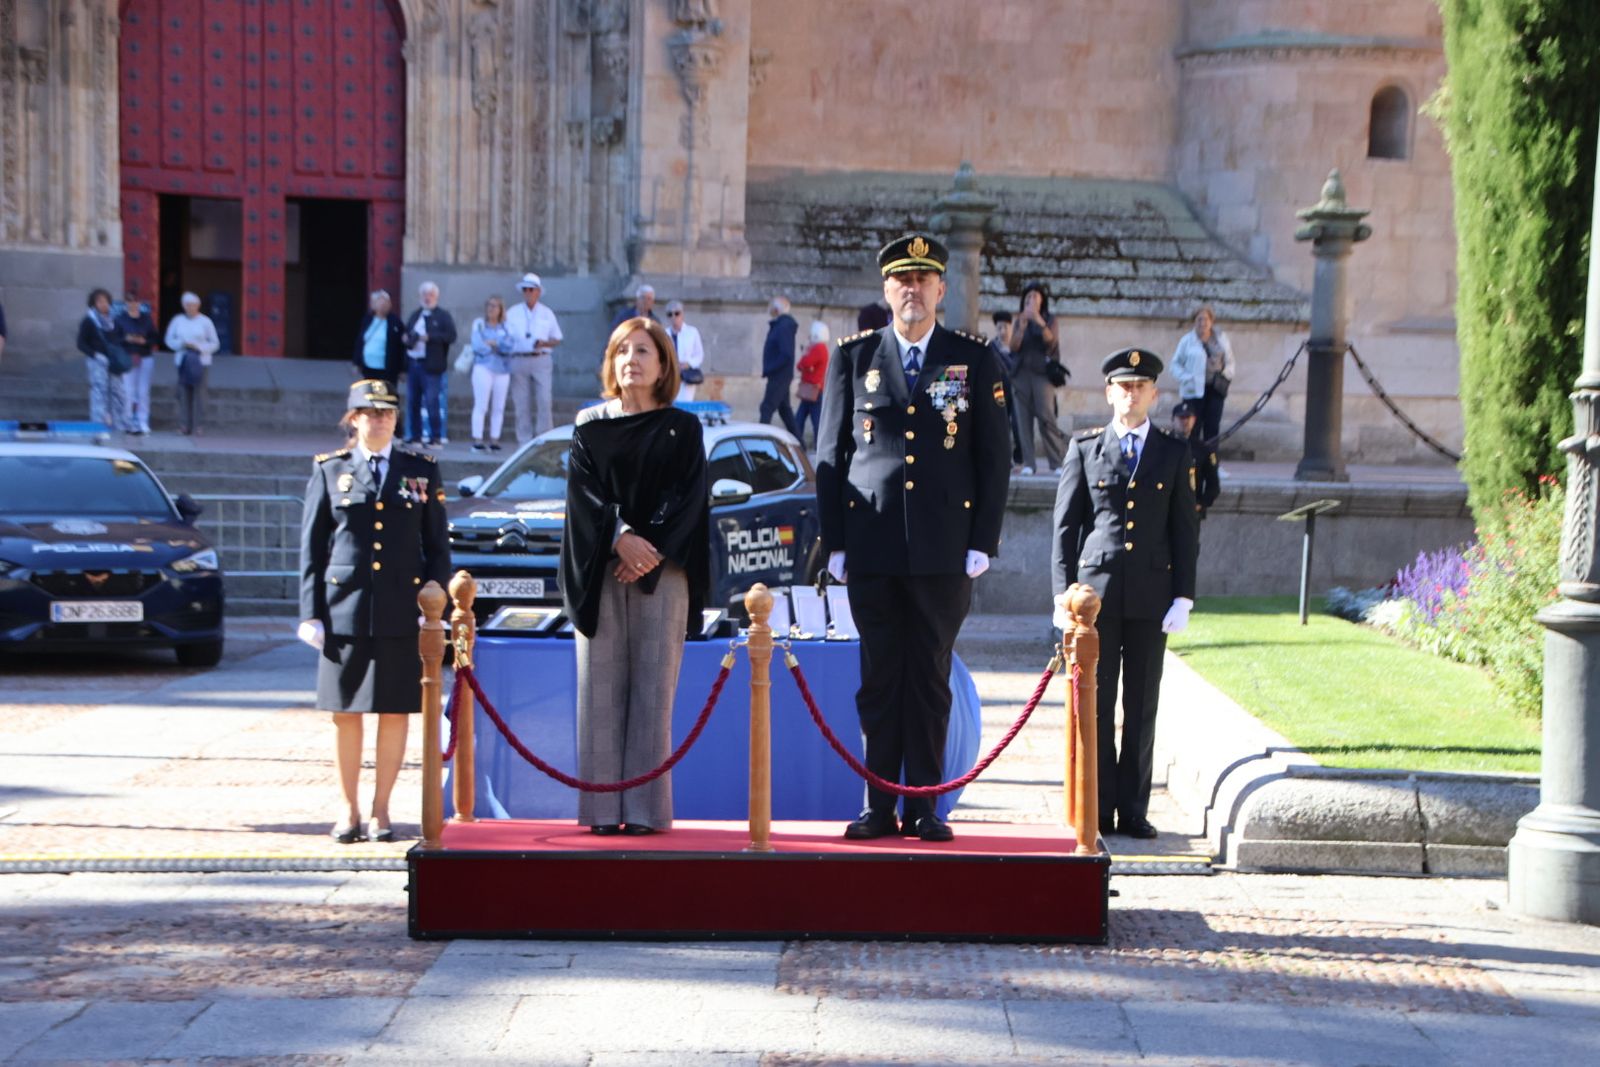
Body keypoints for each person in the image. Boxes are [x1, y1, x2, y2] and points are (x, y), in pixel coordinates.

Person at [815, 233, 1011, 842]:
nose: (913, 291)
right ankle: (878, 804)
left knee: (928, 675)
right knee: (878, 678)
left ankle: (924, 804)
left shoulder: (972, 358)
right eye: (902, 281)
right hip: (872, 544)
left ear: (941, 290)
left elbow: (993, 456)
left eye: (924, 281)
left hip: (943, 548)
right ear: (886, 290)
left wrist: (984, 539)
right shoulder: (853, 358)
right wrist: (837, 543)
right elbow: (831, 452)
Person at [560, 317, 709, 836]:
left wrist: (649, 549)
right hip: (601, 571)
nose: (632, 360)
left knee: (652, 694)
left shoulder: (684, 429)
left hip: (662, 574)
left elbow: (689, 500)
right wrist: (619, 535)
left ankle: (646, 813)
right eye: (622, 350)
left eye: (643, 350)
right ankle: (601, 811)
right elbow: (583, 496)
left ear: (664, 363)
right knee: (599, 692)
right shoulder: (589, 425)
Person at [1051, 348, 1199, 840]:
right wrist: (1061, 593)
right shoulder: (1085, 448)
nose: (1131, 394)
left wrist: (1184, 596)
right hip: (1096, 597)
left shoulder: (1174, 451)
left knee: (1140, 705)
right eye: (1123, 385)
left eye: (1141, 386)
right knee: (1096, 703)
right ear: (1109, 392)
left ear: (1154, 394)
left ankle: (1133, 809)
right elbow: (1066, 527)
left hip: (1151, 596)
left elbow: (1184, 530)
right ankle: (1098, 805)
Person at [298, 378, 451, 844]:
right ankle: (348, 808)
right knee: (345, 713)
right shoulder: (330, 470)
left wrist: (437, 600)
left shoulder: (420, 470)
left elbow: (437, 544)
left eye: (387, 413)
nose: (380, 420)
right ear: (354, 419)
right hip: (344, 609)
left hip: (401, 608)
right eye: (370, 413)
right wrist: (311, 611)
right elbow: (313, 546)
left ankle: (382, 809)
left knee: (394, 710)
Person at [1009, 283, 1068, 474]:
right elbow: (1013, 346)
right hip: (1021, 375)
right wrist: (1022, 326)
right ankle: (1028, 464)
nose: (1031, 300)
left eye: (1035, 297)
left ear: (1042, 300)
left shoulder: (1050, 319)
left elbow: (1051, 341)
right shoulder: (1020, 320)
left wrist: (1037, 320)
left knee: (1046, 418)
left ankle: (1057, 462)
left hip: (1042, 375)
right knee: (1022, 420)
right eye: (1027, 298)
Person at [504, 272, 563, 442]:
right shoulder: (513, 312)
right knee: (521, 403)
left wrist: (543, 343)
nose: (528, 292)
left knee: (544, 400)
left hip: (540, 359)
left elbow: (557, 338)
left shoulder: (547, 313)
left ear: (538, 291)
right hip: (518, 359)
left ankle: (544, 438)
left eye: (531, 289)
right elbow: (505, 336)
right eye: (525, 289)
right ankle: (524, 440)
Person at [1169, 304, 1236, 445]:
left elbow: (1230, 361)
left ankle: (1210, 463)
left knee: (1212, 429)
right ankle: (1191, 463)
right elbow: (1175, 365)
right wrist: (1187, 378)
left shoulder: (1221, 339)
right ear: (1194, 321)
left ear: (1211, 321)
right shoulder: (1187, 341)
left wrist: (1226, 374)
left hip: (1215, 389)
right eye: (1199, 319)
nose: (1202, 323)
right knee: (1192, 428)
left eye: (1206, 319)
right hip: (1193, 392)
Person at [402, 281, 458, 447]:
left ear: (436, 297)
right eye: (425, 295)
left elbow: (451, 336)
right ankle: (416, 436)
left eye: (431, 295)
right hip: (414, 364)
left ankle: (435, 437)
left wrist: (431, 337)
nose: (427, 298)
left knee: (432, 401)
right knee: (413, 402)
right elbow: (407, 333)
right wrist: (406, 338)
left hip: (431, 366)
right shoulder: (415, 315)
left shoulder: (443, 316)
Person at [164, 292, 221, 436]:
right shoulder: (177, 320)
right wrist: (182, 344)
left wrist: (200, 348)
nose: (191, 308)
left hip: (201, 361)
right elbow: (169, 339)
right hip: (183, 359)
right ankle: (184, 425)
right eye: (188, 305)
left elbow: (215, 343)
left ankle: (199, 425)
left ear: (198, 306)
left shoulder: (205, 321)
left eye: (193, 305)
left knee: (199, 394)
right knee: (183, 393)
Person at [77, 289, 133, 432]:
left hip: (114, 363)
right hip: (97, 363)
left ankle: (119, 424)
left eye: (106, 301)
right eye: (99, 301)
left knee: (118, 393)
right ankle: (98, 425)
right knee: (99, 393)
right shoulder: (89, 320)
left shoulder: (115, 320)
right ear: (94, 303)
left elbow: (121, 337)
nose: (103, 304)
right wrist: (95, 354)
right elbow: (81, 343)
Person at [468, 295, 513, 452]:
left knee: (499, 406)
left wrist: (495, 344)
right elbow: (477, 345)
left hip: (502, 370)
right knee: (481, 404)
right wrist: (494, 347)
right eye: (489, 305)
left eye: (495, 306)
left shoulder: (506, 327)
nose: (491, 309)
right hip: (483, 367)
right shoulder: (479, 324)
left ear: (501, 309)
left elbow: (509, 346)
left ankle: (495, 439)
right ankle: (478, 439)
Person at [114, 295, 157, 435]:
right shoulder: (120, 319)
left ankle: (142, 421)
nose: (133, 304)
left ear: (139, 303)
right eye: (130, 302)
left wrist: (144, 341)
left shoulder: (146, 319)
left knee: (143, 392)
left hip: (144, 357)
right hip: (128, 357)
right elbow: (115, 338)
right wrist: (127, 338)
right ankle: (126, 420)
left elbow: (155, 337)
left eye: (135, 301)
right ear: (126, 303)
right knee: (128, 391)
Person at [1172, 399, 1220, 519]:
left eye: (1188, 418)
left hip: (1191, 512)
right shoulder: (1162, 444)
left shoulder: (1203, 449)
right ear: (1173, 420)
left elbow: (1213, 484)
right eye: (1181, 418)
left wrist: (1200, 504)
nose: (1185, 422)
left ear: (1194, 420)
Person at [989, 310, 1026, 466]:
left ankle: (1020, 457)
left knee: (1019, 424)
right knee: (1002, 423)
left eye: (1005, 327)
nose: (1002, 331)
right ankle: (1005, 457)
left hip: (1017, 389)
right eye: (999, 328)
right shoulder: (991, 347)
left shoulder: (1017, 346)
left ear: (1011, 327)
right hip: (999, 390)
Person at [353, 290, 408, 392]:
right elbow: (360, 342)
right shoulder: (368, 319)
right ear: (373, 305)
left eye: (386, 302)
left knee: (386, 397)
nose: (383, 305)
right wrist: (357, 362)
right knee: (370, 395)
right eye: (380, 302)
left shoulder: (395, 322)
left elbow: (402, 347)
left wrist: (403, 369)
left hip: (388, 368)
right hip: (368, 367)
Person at [759, 295, 800, 436]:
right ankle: (800, 444)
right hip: (779, 375)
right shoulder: (781, 325)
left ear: (776, 309)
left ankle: (760, 443)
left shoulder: (783, 327)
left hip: (779, 376)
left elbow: (786, 354)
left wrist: (771, 368)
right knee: (785, 410)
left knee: (766, 408)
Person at [794, 319, 829, 448]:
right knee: (801, 418)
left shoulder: (819, 348)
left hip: (813, 390)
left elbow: (805, 363)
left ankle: (816, 444)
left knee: (813, 420)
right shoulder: (820, 348)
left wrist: (805, 356)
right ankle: (801, 442)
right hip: (810, 390)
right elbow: (800, 366)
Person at [665, 300, 705, 402]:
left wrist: (689, 363)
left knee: (685, 406)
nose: (674, 317)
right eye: (670, 314)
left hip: (686, 377)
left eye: (677, 313)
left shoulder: (692, 332)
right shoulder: (664, 334)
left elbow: (699, 355)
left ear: (682, 314)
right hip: (670, 376)